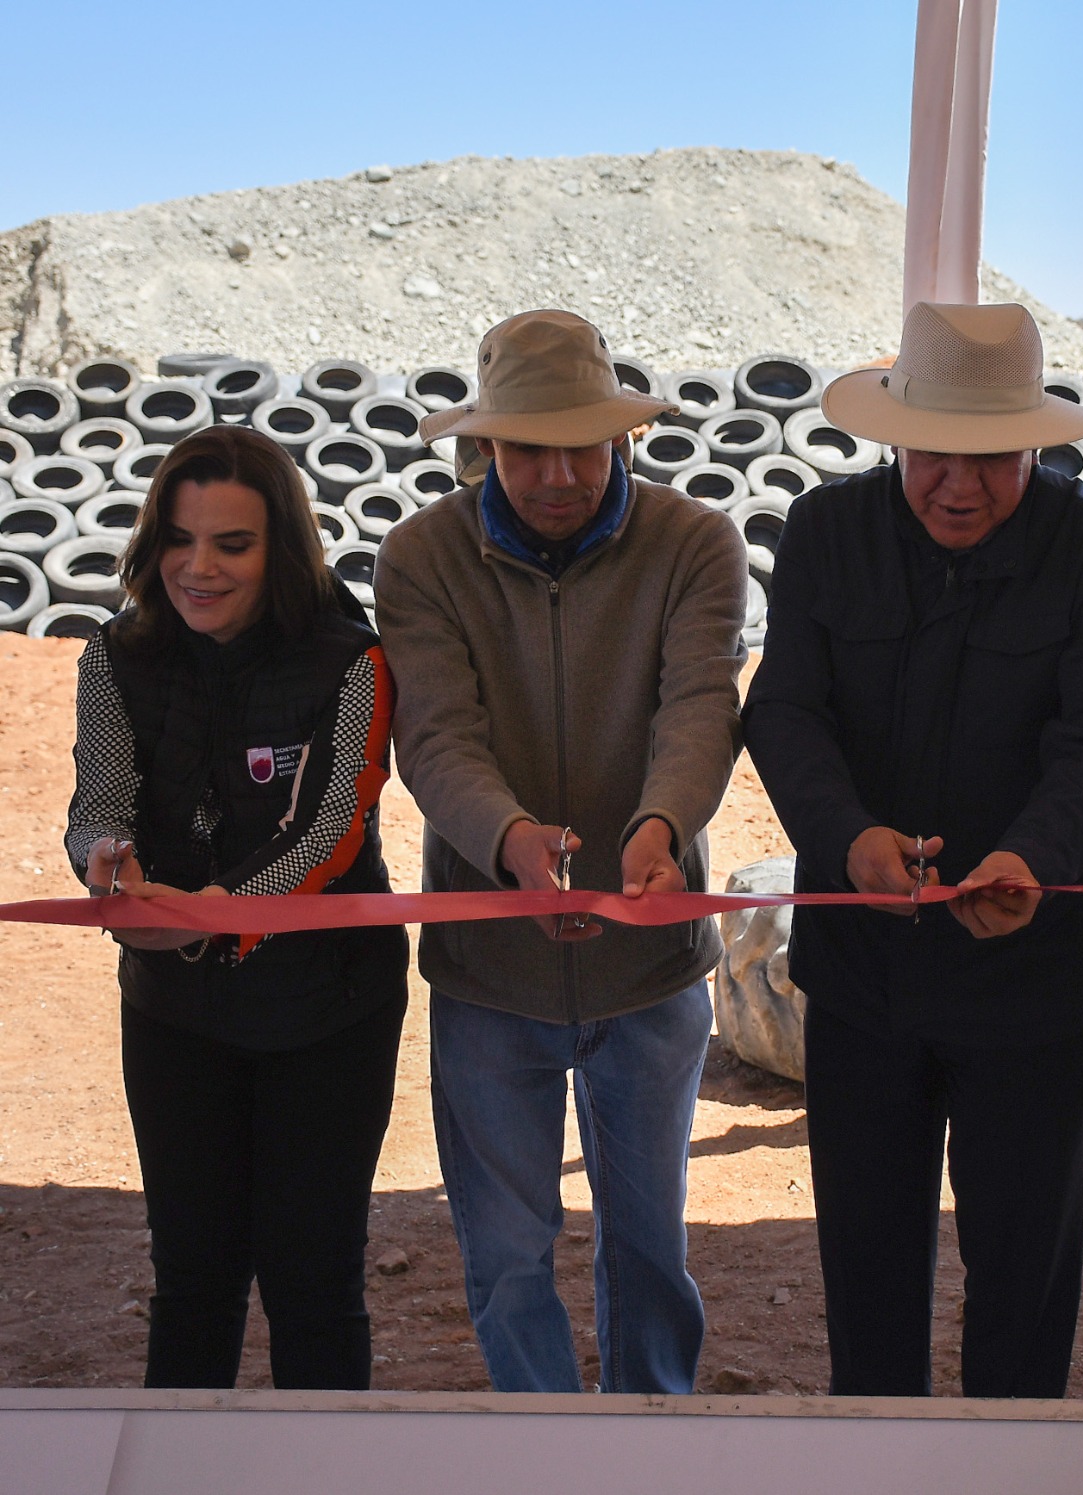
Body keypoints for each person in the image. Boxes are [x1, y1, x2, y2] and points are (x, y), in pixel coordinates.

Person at [742, 301, 1083, 1398]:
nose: (959, 486)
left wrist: (1034, 854)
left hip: (1037, 982)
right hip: (863, 981)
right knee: (867, 1277)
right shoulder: (827, 532)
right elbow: (785, 713)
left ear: (1034, 441)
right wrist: (846, 840)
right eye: (935, 457)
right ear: (892, 435)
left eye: (991, 460)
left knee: (1024, 1282)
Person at [373, 310, 747, 1394]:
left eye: (581, 443)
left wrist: (657, 833)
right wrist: (509, 844)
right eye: (527, 447)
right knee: (502, 1258)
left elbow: (698, 709)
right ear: (483, 447)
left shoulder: (695, 544)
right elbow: (436, 733)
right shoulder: (421, 555)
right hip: (491, 970)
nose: (557, 472)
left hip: (650, 963)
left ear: (622, 437)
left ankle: (652, 1442)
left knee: (649, 1251)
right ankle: (541, 1450)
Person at [65, 424, 409, 1390]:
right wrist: (103, 860)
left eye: (233, 543)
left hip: (329, 1011)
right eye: (178, 538)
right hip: (176, 1010)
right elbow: (98, 801)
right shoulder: (113, 655)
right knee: (192, 1279)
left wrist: (214, 909)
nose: (198, 567)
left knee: (315, 1280)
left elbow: (332, 830)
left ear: (283, 549)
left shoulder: (351, 659)